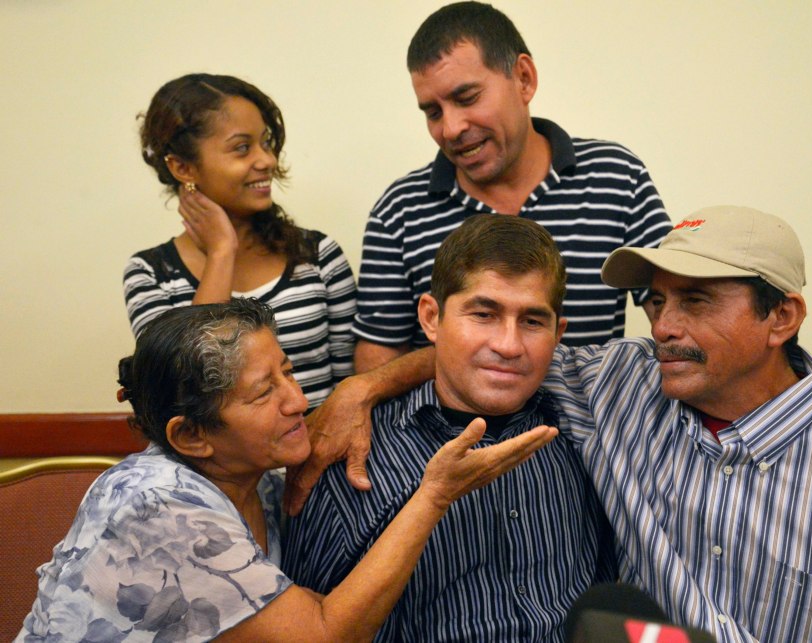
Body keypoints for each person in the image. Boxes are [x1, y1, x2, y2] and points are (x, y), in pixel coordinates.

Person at [16, 299, 556, 642]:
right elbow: (324, 636)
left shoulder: (263, 483)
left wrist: (361, 384)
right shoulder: (156, 502)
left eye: (288, 372)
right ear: (191, 436)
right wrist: (434, 495)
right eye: (262, 392)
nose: (297, 400)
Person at [545, 206, 812, 640]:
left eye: (695, 301)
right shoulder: (621, 388)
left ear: (782, 317)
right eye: (657, 300)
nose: (663, 326)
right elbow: (502, 351)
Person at [283, 216, 616, 641]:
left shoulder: (584, 434)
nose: (509, 345)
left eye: (533, 322)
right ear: (431, 318)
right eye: (484, 314)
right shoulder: (353, 458)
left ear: (558, 333)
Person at [351, 1, 672, 372]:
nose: (451, 128)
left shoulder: (618, 177)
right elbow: (377, 367)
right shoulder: (399, 210)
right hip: (455, 431)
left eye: (467, 97)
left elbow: (676, 316)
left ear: (524, 78)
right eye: (433, 112)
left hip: (594, 428)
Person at [124, 73, 356, 409]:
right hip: (206, 463)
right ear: (183, 168)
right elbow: (183, 390)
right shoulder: (149, 274)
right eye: (242, 148)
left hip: (320, 457)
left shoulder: (318, 256)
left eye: (265, 143)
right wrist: (221, 253)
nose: (267, 161)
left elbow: (351, 388)